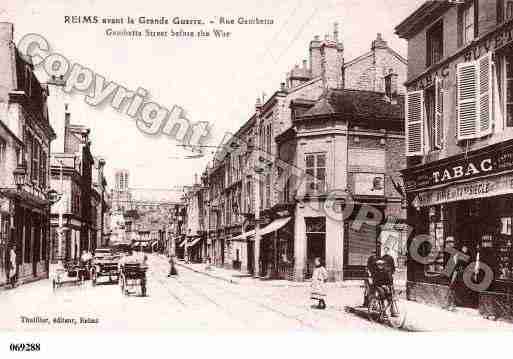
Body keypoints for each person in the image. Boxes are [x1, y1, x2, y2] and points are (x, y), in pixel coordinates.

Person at [445, 245, 469, 311]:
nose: (465, 249)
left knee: (454, 289)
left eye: (466, 248)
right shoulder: (459, 256)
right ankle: (450, 304)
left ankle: (451, 304)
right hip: (456, 274)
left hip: (459, 275)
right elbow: (455, 266)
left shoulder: (463, 257)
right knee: (452, 288)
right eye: (464, 248)